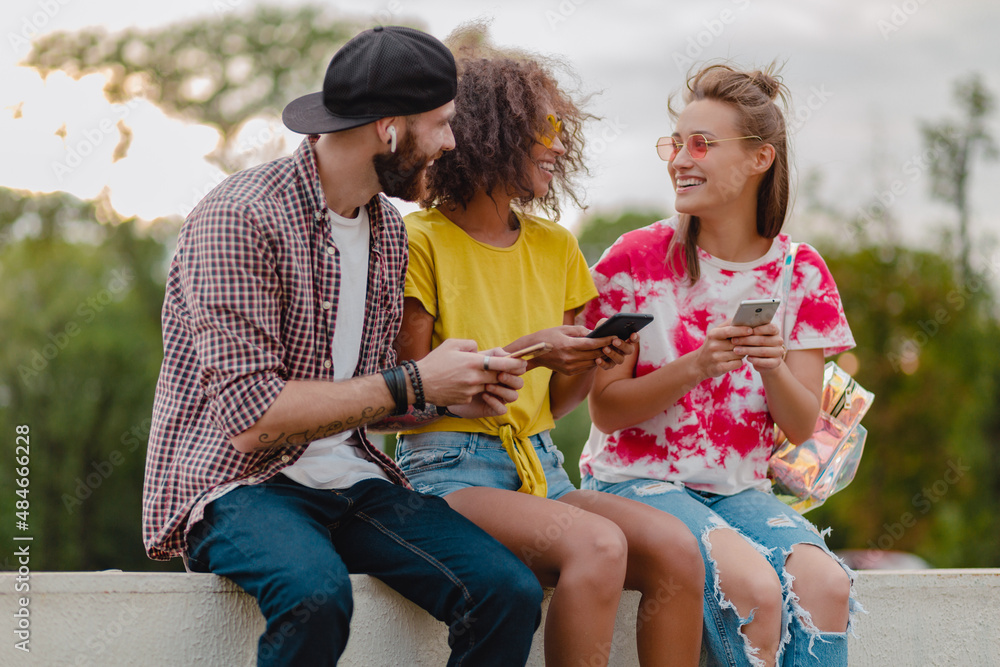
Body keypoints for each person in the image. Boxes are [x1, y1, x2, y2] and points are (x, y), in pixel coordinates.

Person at [141, 26, 546, 667]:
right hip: (238, 485)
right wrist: (415, 382)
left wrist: (454, 393)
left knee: (507, 592)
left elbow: (357, 398)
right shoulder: (239, 217)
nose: (452, 141)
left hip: (350, 480)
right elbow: (252, 421)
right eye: (440, 124)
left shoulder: (386, 229)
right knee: (316, 596)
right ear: (388, 128)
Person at [393, 41, 704, 667]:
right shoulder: (417, 239)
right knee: (596, 547)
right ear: (493, 132)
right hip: (449, 469)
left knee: (676, 547)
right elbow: (407, 398)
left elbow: (555, 404)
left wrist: (591, 359)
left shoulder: (556, 246)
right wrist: (530, 350)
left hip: (541, 469)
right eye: (548, 128)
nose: (561, 145)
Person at [580, 63, 861, 667]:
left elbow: (801, 426)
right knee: (755, 590)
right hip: (634, 481)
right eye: (675, 143)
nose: (680, 158)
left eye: (701, 144)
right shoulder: (635, 260)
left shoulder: (801, 272)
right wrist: (697, 366)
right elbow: (604, 409)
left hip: (738, 492)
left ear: (760, 159)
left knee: (827, 584)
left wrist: (772, 368)